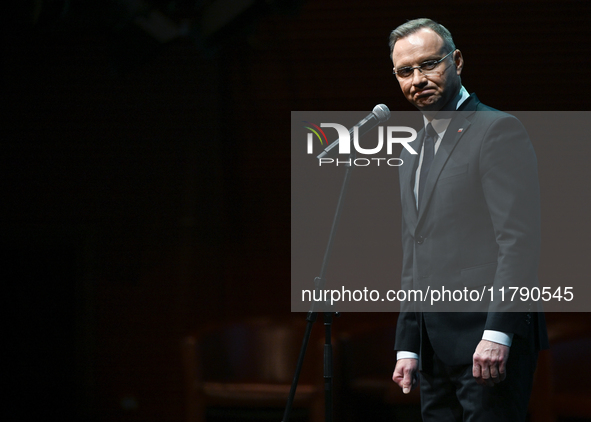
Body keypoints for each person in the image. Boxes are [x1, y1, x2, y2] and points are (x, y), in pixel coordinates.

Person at [389, 18, 548, 421]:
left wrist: (498, 333)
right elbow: (414, 249)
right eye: (406, 71)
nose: (418, 78)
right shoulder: (410, 152)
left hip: (488, 341)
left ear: (457, 60)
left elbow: (518, 241)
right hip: (433, 349)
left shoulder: (496, 130)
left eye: (429, 64)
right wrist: (408, 344)